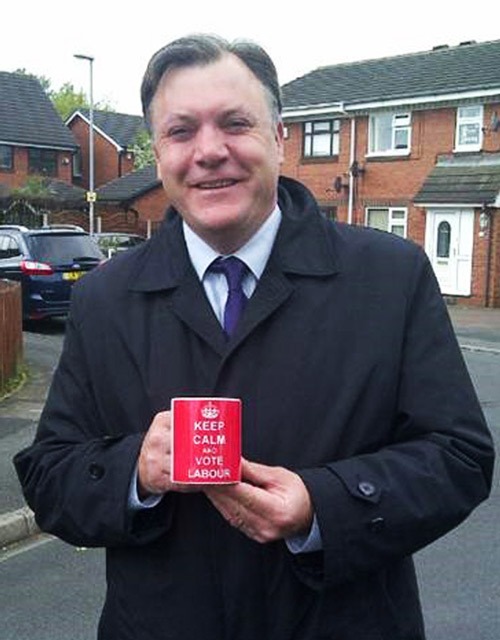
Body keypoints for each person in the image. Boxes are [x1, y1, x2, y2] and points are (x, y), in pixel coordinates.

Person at [14, 34, 494, 640]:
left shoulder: (390, 276)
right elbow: (51, 473)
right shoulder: (105, 298)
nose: (209, 151)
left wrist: (325, 506)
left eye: (235, 123)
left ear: (279, 135)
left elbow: (459, 457)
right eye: (181, 131)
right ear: (158, 152)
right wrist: (133, 470)